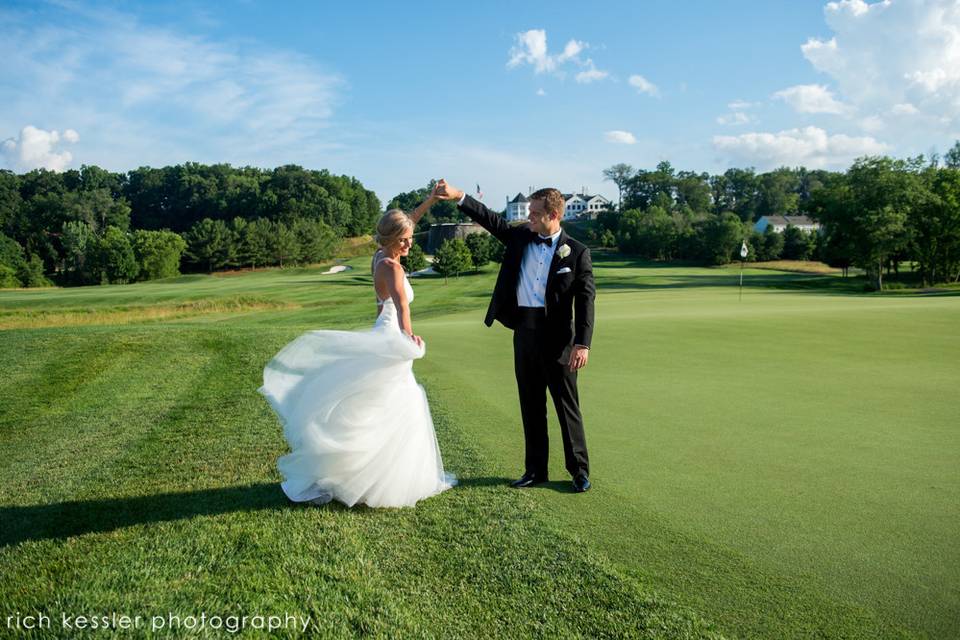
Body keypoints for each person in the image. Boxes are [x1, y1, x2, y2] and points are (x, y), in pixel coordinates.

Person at [258, 195, 455, 508]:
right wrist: (411, 339)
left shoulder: (379, 255)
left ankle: (365, 473)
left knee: (376, 404)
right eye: (404, 241)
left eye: (409, 239)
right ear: (392, 239)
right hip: (392, 337)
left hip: (381, 331)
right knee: (395, 404)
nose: (409, 245)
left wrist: (431, 200)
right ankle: (375, 479)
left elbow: (408, 221)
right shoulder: (392, 268)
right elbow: (403, 308)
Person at [434, 179, 595, 493]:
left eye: (535, 213)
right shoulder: (521, 237)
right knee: (530, 405)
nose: (529, 218)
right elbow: (492, 220)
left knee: (566, 408)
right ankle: (535, 471)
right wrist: (459, 196)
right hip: (524, 333)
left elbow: (586, 300)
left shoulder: (576, 253)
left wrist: (583, 343)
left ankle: (579, 471)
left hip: (559, 341)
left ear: (554, 216)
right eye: (530, 212)